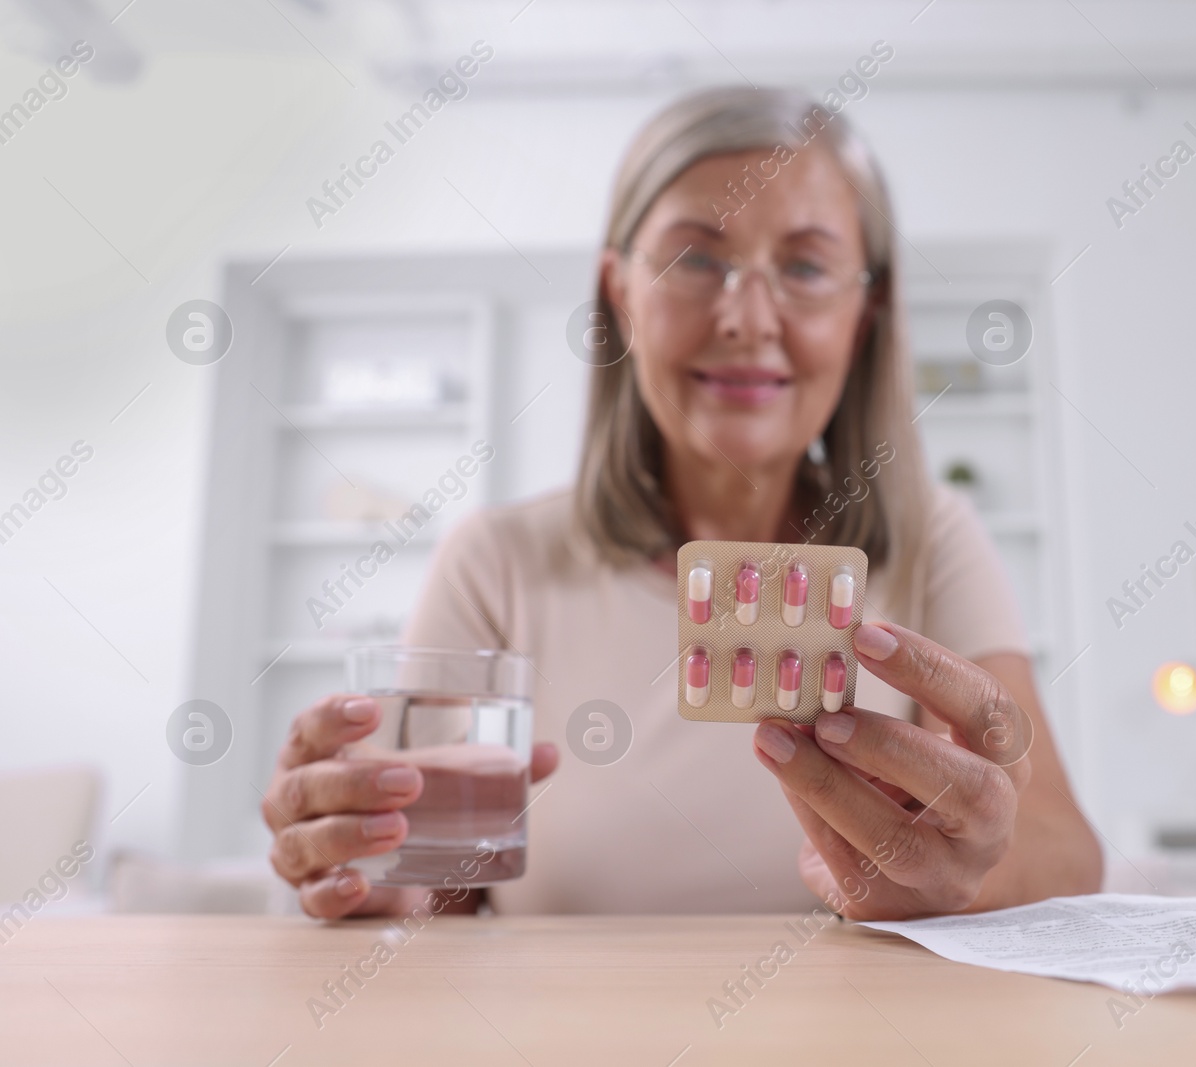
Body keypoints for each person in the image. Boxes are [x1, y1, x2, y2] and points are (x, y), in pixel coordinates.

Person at [262, 87, 1102, 920]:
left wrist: (969, 865)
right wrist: (375, 867)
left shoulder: (932, 540)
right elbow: (431, 885)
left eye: (806, 266)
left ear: (866, 310)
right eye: (695, 258)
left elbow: (1065, 850)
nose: (746, 317)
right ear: (619, 289)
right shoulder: (496, 563)